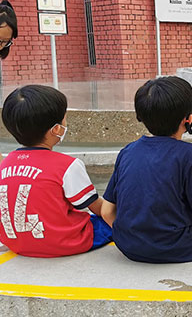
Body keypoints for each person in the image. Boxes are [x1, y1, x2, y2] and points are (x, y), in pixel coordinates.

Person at [101, 77, 192, 263]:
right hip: (176, 247)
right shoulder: (189, 155)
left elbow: (107, 212)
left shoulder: (127, 152)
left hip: (127, 246)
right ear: (188, 119)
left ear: (141, 117)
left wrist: (133, 238)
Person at [0, 85, 112, 257]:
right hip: (63, 243)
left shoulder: (4, 164)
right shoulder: (67, 166)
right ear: (56, 129)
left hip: (16, 243)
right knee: (107, 220)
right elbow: (97, 208)